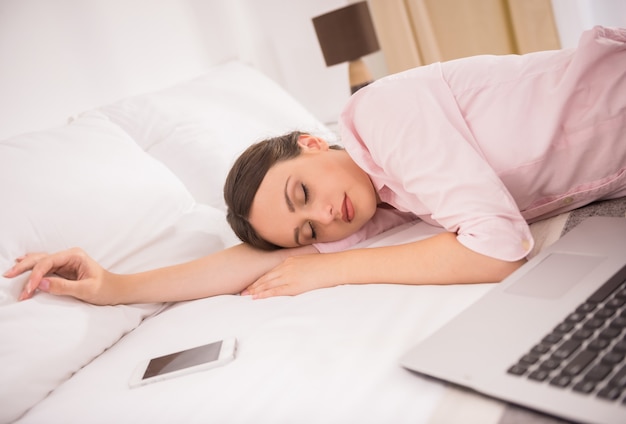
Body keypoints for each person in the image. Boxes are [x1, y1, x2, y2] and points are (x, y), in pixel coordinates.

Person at [5, 26, 626, 305]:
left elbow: (498, 250)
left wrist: (338, 272)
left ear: (309, 142)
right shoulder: (377, 194)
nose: (327, 218)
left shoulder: (381, 117)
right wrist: (115, 286)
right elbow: (267, 260)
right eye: (309, 230)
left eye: (301, 193)